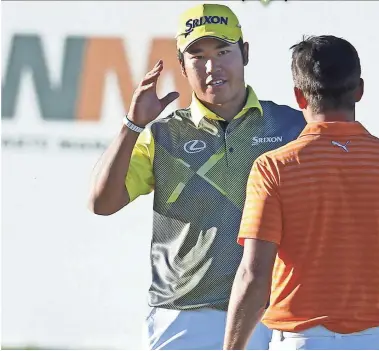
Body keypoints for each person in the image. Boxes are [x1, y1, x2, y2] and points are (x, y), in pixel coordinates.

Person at [87, 3, 305, 350]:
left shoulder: (292, 125)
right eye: (197, 56)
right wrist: (132, 125)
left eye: (222, 51)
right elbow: (101, 202)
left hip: (270, 312)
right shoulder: (161, 135)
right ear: (182, 67)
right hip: (184, 313)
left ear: (245, 53)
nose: (211, 66)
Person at [223, 35, 379, 350]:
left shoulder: (273, 168)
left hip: (302, 342)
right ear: (359, 90)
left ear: (299, 97)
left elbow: (253, 276)